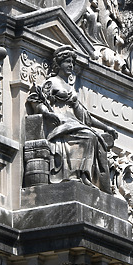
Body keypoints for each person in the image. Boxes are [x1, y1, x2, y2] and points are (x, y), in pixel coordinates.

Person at [29, 46, 117, 192]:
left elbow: (86, 117)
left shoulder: (70, 87)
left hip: (72, 122)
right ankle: (77, 175)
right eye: (67, 62)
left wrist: (106, 127)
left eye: (72, 62)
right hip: (59, 122)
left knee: (95, 138)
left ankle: (84, 176)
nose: (70, 65)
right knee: (89, 136)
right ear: (58, 64)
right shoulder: (52, 82)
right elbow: (36, 100)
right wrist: (47, 113)